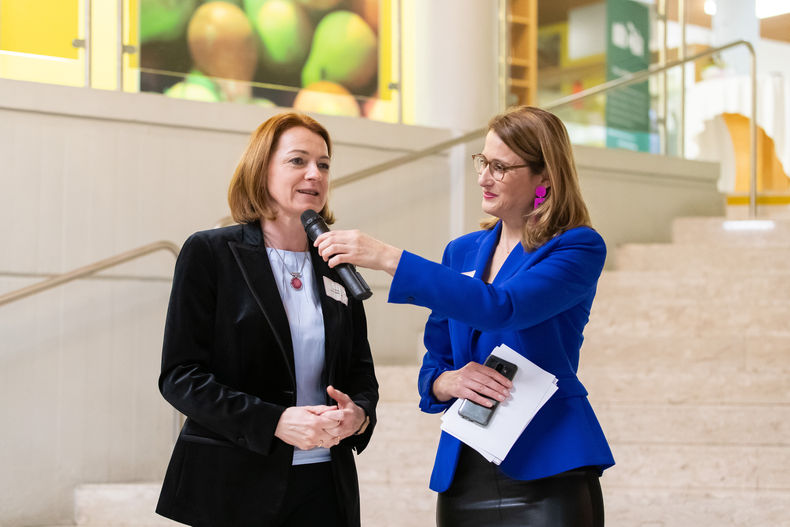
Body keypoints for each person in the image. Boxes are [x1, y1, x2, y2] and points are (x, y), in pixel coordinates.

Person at [314, 106, 615, 526]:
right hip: (465, 472)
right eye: (482, 161)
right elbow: (434, 361)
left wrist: (387, 258)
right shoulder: (462, 251)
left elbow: (503, 307)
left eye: (501, 167)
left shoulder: (577, 247)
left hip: (549, 468)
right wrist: (446, 381)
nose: (483, 177)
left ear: (544, 176)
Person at [155, 112, 378, 527]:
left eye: (324, 164)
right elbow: (180, 376)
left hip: (326, 485)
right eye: (298, 161)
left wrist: (358, 415)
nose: (314, 173)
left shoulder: (335, 264)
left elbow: (361, 374)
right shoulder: (211, 253)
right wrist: (274, 421)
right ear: (262, 169)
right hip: (235, 482)